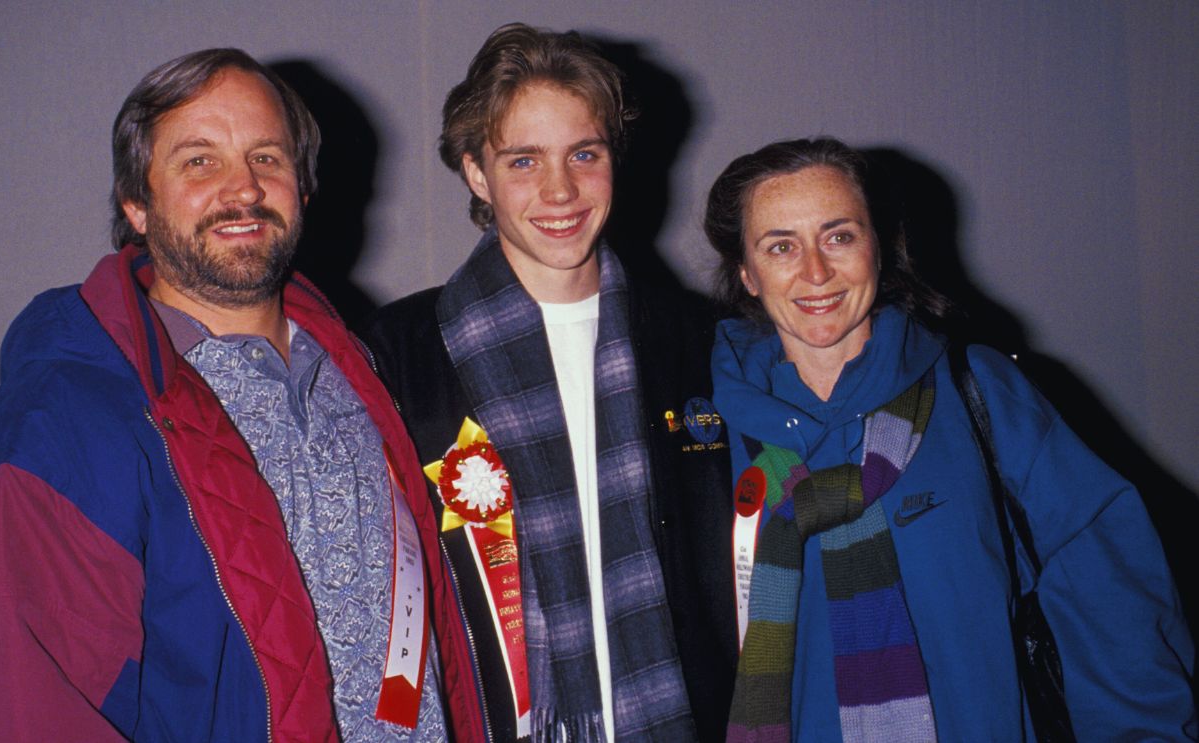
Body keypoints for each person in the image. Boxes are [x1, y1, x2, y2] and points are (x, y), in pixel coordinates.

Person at [0, 48, 471, 742]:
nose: (243, 189)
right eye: (199, 160)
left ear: (302, 188)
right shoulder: (47, 428)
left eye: (267, 158)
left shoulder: (366, 378)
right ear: (137, 201)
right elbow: (12, 708)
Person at [705, 137, 1196, 741]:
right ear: (747, 275)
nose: (816, 271)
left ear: (879, 249)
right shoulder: (707, 431)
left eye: (840, 236)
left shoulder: (982, 393)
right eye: (781, 247)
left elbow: (1113, 601)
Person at [363, 23, 736, 743]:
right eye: (523, 160)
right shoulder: (397, 353)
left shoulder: (697, 341)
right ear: (476, 171)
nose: (559, 189)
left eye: (583, 154)